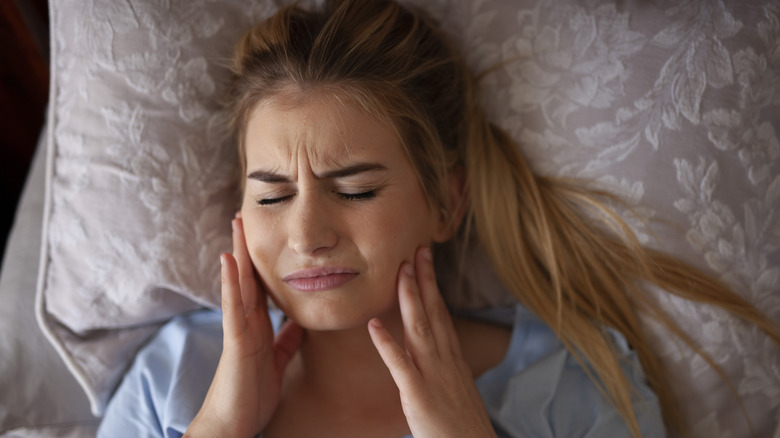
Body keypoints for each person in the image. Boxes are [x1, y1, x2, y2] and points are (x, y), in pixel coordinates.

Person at [98, 0, 780, 437]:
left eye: (357, 190)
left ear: (447, 202)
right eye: (272, 196)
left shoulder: (570, 387)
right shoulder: (174, 378)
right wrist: (219, 427)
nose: (307, 235)